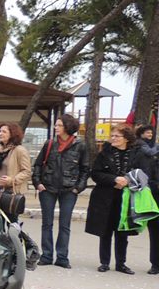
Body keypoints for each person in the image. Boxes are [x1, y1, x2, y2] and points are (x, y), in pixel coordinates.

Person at [85, 124, 153, 274]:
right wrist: (114, 179)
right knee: (105, 231)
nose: (113, 138)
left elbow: (144, 173)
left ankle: (121, 263)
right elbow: (95, 174)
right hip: (105, 197)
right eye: (112, 136)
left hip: (127, 198)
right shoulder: (104, 153)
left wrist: (128, 181)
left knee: (123, 231)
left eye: (117, 136)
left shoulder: (137, 154)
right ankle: (104, 262)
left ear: (126, 138)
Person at [32, 114, 89, 268]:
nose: (55, 127)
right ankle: (47, 255)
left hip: (69, 190)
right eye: (55, 125)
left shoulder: (80, 146)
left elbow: (85, 169)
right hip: (48, 188)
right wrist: (38, 183)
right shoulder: (50, 143)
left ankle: (62, 257)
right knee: (47, 223)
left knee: (65, 225)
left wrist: (78, 188)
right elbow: (38, 164)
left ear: (68, 127)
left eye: (59, 125)